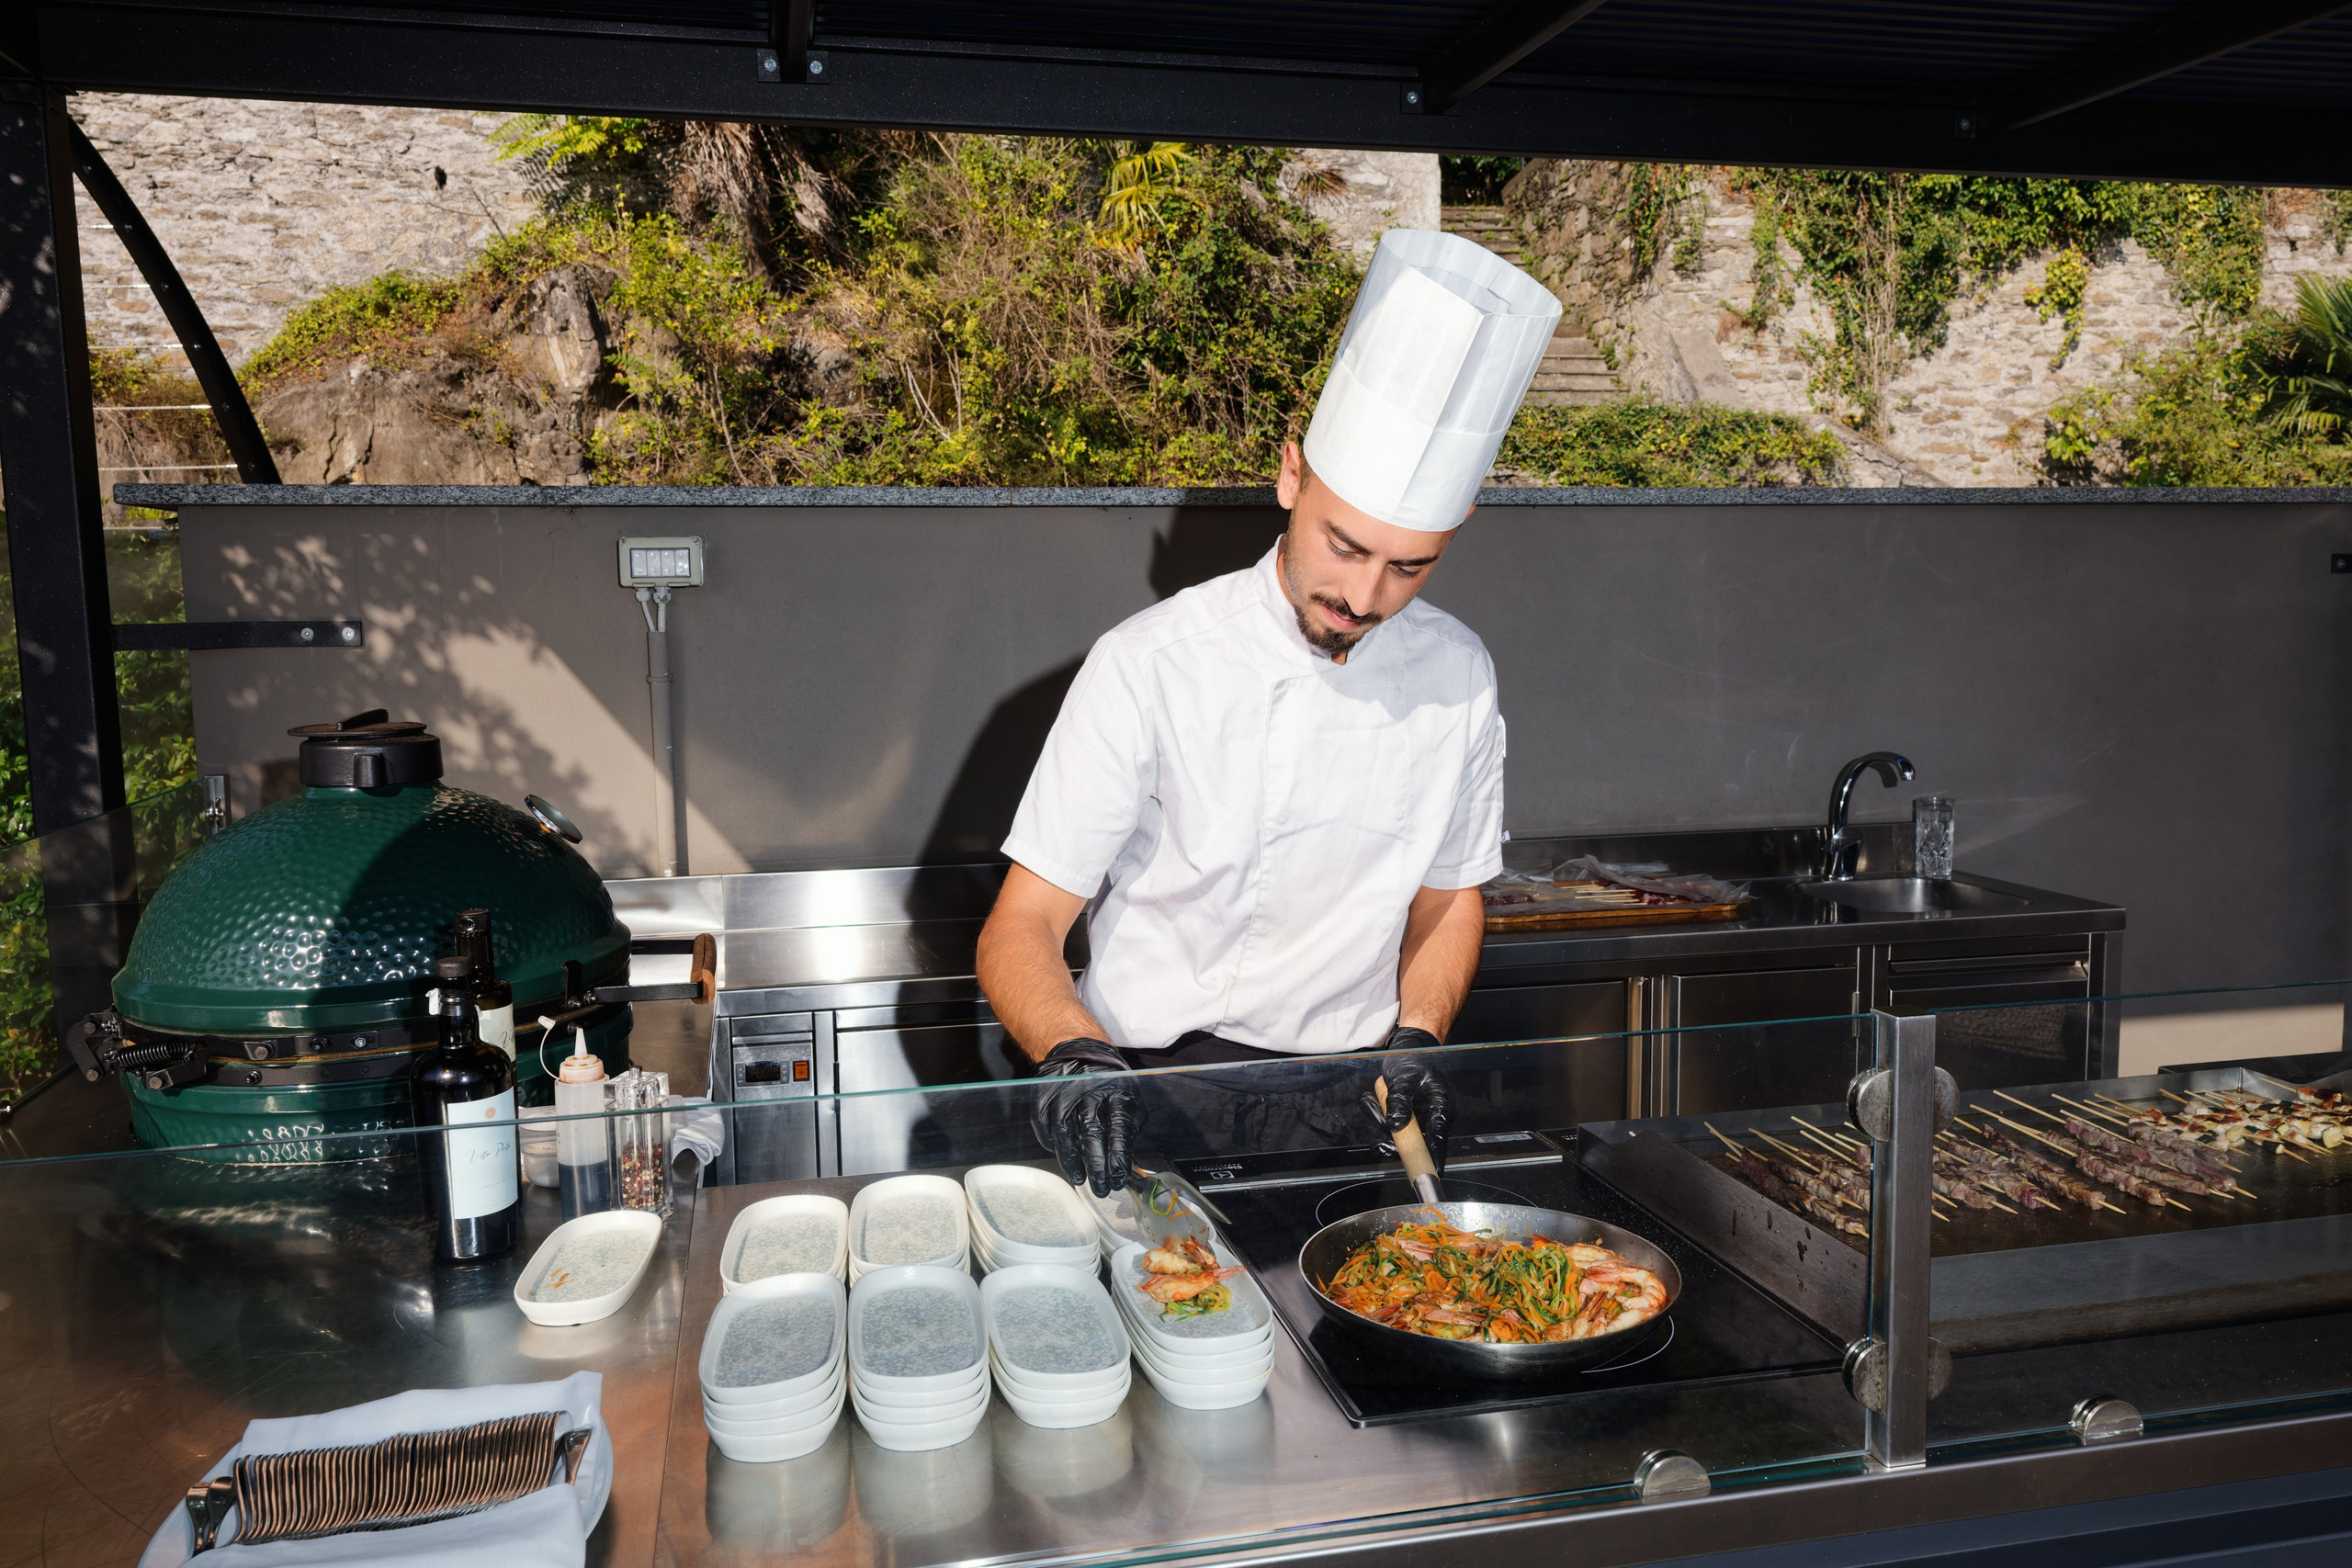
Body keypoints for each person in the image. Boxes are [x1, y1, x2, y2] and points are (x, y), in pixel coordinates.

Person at [975, 229, 1562, 1195]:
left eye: (1408, 565)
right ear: (1291, 477)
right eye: (1343, 544)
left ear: (1453, 536)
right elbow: (1022, 923)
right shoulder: (1149, 664)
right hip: (1146, 1098)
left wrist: (1420, 1037)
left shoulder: (1457, 674)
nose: (1365, 595)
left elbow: (1449, 897)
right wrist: (1072, 1058)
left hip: (1352, 1107)